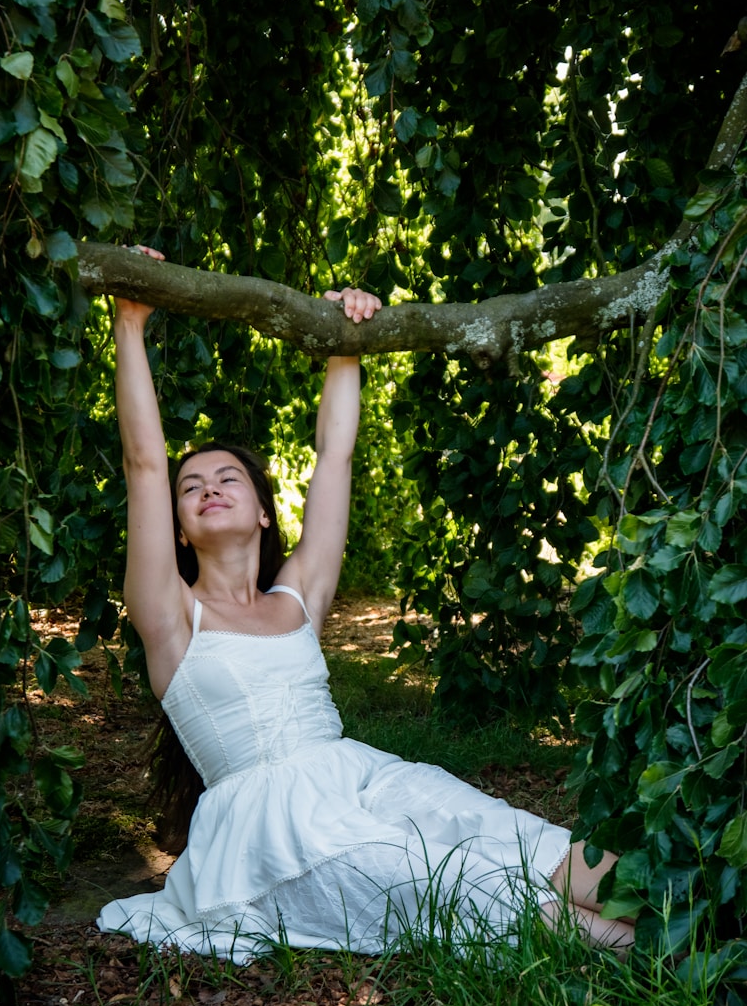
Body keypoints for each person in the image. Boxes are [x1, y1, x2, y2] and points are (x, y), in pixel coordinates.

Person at [97, 247, 634, 963]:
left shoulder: (298, 596)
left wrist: (344, 341)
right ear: (179, 526)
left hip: (363, 776)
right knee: (468, 887)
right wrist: (129, 321)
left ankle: (696, 900)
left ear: (262, 513)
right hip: (276, 836)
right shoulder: (169, 616)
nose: (209, 487)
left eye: (229, 477)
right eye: (192, 486)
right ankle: (675, 956)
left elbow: (335, 457)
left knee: (510, 835)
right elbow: (142, 460)